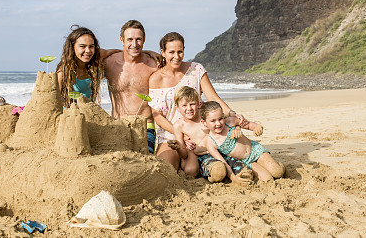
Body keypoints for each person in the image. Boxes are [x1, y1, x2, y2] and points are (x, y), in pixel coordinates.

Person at [149, 31, 247, 171]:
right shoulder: (155, 79)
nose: (176, 57)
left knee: (232, 157)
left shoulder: (196, 69)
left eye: (180, 51)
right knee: (166, 169)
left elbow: (212, 97)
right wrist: (181, 135)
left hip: (201, 131)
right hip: (172, 135)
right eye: (171, 52)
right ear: (162, 52)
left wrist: (232, 114)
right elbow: (157, 116)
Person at [169, 86, 253, 185]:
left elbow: (225, 119)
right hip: (203, 156)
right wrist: (178, 147)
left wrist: (236, 126)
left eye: (192, 104)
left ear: (199, 104)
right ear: (177, 107)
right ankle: (212, 175)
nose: (189, 108)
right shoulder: (179, 125)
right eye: (184, 105)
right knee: (216, 171)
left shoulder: (206, 115)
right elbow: (184, 154)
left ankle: (228, 173)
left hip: (221, 151)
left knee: (245, 172)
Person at [103, 20, 159, 154]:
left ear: (144, 40)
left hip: (146, 127)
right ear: (122, 40)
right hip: (117, 125)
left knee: (145, 161)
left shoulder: (154, 65)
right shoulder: (109, 63)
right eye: (130, 39)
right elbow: (85, 57)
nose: (134, 44)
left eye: (138, 39)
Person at [200, 101, 286, 181]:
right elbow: (224, 163)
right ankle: (260, 167)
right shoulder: (210, 143)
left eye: (220, 119)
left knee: (277, 172)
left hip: (255, 150)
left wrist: (256, 127)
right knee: (268, 179)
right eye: (213, 121)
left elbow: (248, 125)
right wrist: (233, 178)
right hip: (247, 162)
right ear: (204, 122)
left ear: (223, 116)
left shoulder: (229, 122)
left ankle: (281, 166)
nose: (218, 123)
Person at [56, 25, 118, 108]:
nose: (88, 51)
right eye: (82, 46)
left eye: (91, 46)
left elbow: (112, 51)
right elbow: (54, 101)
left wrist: (138, 52)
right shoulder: (63, 72)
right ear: (72, 47)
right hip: (70, 115)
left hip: (89, 113)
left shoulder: (97, 56)